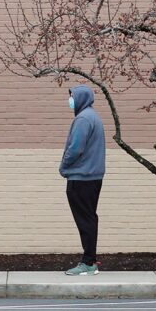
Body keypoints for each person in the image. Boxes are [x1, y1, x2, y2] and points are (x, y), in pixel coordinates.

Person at [60, 85, 106, 276]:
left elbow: (75, 148)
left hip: (81, 177)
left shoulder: (83, 119)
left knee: (85, 220)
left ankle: (88, 262)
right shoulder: (93, 116)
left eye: (72, 96)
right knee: (89, 217)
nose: (70, 100)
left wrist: (64, 166)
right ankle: (90, 260)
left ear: (81, 98)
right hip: (93, 177)